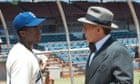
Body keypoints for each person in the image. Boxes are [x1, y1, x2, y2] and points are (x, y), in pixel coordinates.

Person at [77, 6, 133, 84]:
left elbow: (125, 82)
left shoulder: (118, 50)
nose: (83, 31)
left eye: (86, 28)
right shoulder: (95, 48)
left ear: (99, 30)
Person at [6, 11, 45, 84]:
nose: (39, 31)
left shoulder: (25, 51)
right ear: (22, 33)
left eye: (38, 27)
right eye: (34, 28)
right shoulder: (22, 58)